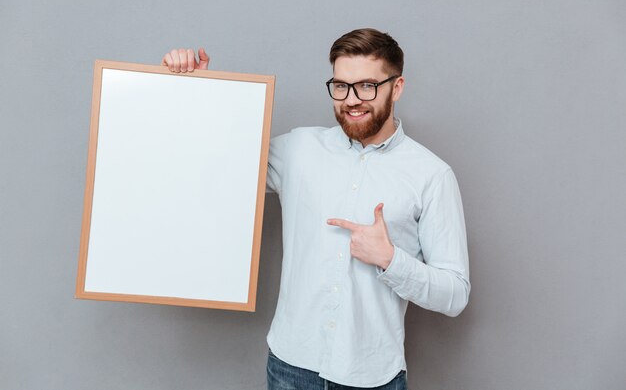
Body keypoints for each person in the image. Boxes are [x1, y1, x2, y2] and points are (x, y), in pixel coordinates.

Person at [162, 28, 470, 390]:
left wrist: (391, 259)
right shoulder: (298, 149)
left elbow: (455, 295)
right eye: (341, 86)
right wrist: (196, 88)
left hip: (372, 377)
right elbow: (215, 159)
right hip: (290, 366)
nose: (351, 100)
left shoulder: (432, 175)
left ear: (396, 87)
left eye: (367, 86)